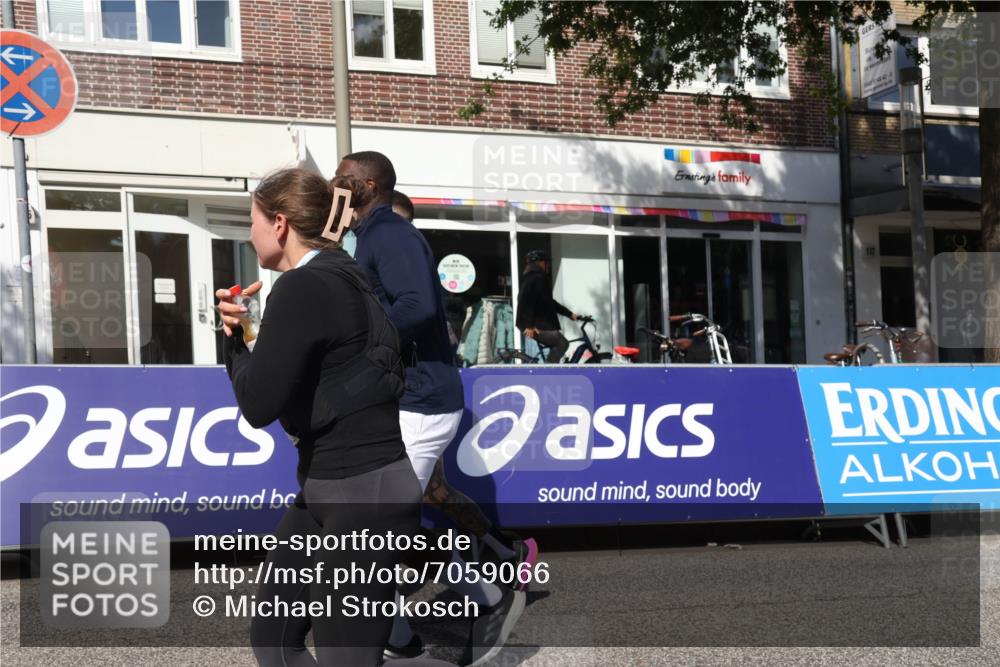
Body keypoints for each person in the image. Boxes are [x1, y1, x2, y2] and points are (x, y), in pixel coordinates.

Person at [215, 168, 449, 667]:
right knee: (275, 641)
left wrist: (232, 342)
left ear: (279, 224)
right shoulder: (340, 271)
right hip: (328, 488)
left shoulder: (304, 286)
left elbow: (258, 404)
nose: (249, 233)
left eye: (251, 220)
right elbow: (308, 372)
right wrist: (247, 332)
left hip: (364, 497)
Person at [335, 154, 526, 666]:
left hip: (422, 402)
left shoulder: (390, 235)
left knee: (377, 529)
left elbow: (417, 305)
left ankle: (439, 620)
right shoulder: (367, 236)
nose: (334, 183)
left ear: (367, 184)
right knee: (382, 522)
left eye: (342, 176)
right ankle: (437, 618)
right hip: (407, 399)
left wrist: (369, 348)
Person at [516, 250, 582, 363]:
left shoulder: (530, 277)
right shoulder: (538, 277)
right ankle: (548, 372)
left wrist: (570, 314)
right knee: (562, 343)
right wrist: (530, 325)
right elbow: (527, 301)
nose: (548, 265)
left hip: (534, 324)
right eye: (546, 262)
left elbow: (549, 302)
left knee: (556, 346)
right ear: (539, 263)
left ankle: (550, 368)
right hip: (533, 326)